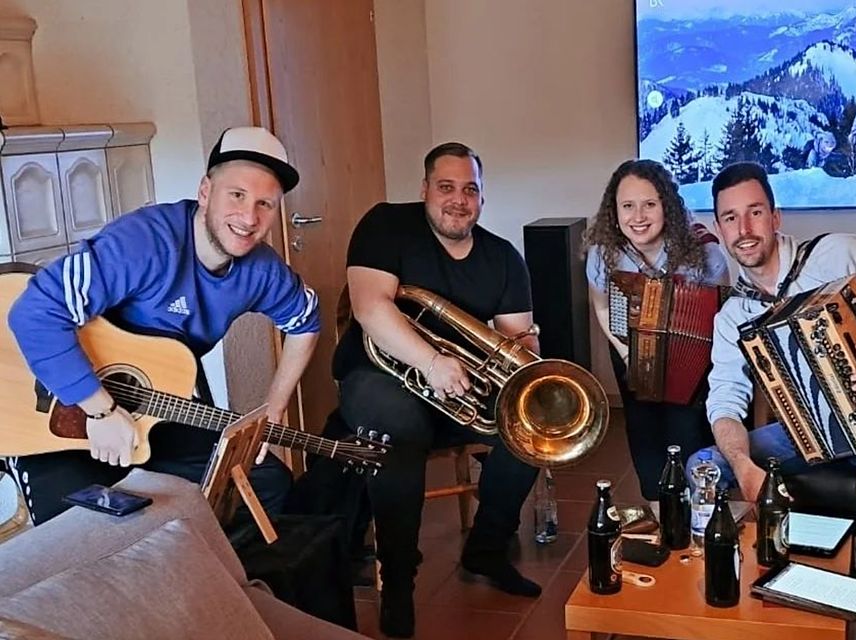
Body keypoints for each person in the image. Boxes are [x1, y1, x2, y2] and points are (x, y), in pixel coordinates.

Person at [6, 126, 320, 526]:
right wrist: (100, 412)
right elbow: (33, 313)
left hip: (149, 415)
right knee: (80, 536)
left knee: (266, 482)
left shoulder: (262, 270)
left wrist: (274, 407)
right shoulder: (142, 243)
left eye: (265, 204)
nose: (248, 217)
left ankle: (217, 585)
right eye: (236, 195)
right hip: (50, 415)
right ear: (206, 191)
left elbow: (305, 322)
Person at [690, 161, 856, 640]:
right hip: (816, 427)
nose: (744, 230)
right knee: (704, 465)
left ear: (776, 216)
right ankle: (769, 603)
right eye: (730, 218)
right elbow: (724, 400)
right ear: (720, 228)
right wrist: (745, 467)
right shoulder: (734, 315)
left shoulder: (838, 253)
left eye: (755, 213)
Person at [331, 142, 541, 638]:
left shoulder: (502, 257)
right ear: (424, 189)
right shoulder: (385, 225)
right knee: (400, 432)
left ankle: (486, 549)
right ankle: (399, 580)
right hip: (379, 375)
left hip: (458, 383)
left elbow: (518, 339)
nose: (458, 199)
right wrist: (431, 360)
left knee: (531, 425)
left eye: (470, 189)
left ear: (482, 199)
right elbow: (369, 307)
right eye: (446, 187)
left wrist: (526, 351)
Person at [583, 159, 728, 499]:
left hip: (691, 362)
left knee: (688, 442)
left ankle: (696, 517)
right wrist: (626, 352)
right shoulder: (603, 253)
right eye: (628, 206)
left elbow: (719, 319)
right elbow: (602, 305)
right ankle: (658, 510)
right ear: (614, 212)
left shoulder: (705, 253)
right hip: (629, 347)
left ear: (668, 206)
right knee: (645, 442)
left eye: (650, 204)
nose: (638, 217)